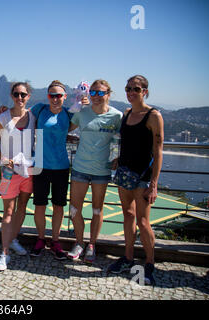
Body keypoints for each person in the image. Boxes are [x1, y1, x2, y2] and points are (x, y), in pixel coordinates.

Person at [108, 75, 164, 286]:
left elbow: (158, 151)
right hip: (124, 172)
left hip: (143, 177)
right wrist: (116, 158)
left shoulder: (153, 115)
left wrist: (154, 184)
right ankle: (128, 258)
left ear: (145, 92)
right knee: (128, 216)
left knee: (143, 221)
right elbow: (123, 142)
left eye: (136, 89)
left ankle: (149, 263)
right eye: (128, 88)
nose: (131, 92)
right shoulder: (127, 113)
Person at [66, 80, 123, 263]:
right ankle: (79, 242)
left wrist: (118, 156)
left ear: (109, 94)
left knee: (97, 210)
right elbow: (66, 127)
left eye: (101, 93)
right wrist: (75, 107)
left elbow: (123, 138)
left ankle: (92, 244)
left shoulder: (117, 116)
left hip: (102, 169)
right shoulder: (82, 113)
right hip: (80, 167)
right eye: (94, 92)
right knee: (74, 208)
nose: (97, 96)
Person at [0, 82, 35, 271]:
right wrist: (3, 158)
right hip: (9, 172)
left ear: (29, 96)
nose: (20, 98)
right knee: (8, 212)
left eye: (23, 94)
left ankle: (13, 239)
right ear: (11, 95)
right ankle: (5, 252)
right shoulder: (3, 117)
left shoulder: (34, 116)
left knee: (22, 207)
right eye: (16, 94)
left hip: (29, 171)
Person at [28, 80, 72, 260]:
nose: (55, 99)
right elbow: (21, 114)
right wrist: (4, 111)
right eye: (51, 95)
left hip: (61, 166)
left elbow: (82, 123)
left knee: (58, 206)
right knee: (39, 205)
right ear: (48, 96)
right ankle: (40, 238)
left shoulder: (69, 114)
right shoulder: (40, 109)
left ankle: (55, 241)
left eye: (58, 95)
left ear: (65, 97)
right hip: (39, 165)